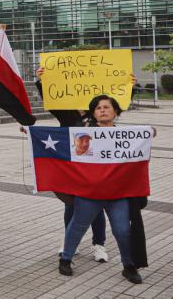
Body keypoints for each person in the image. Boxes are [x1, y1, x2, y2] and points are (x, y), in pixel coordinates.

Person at [58, 95, 144, 285]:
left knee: (122, 231)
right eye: (98, 108)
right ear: (93, 113)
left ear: (116, 112)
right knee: (77, 226)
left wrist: (148, 133)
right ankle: (65, 258)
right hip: (90, 193)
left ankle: (128, 265)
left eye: (107, 107)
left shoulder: (128, 137)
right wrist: (31, 132)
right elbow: (59, 142)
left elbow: (142, 142)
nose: (103, 110)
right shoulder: (82, 135)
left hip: (117, 194)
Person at [33, 66, 108, 262]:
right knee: (71, 207)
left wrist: (129, 87)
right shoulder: (66, 114)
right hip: (73, 170)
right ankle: (70, 243)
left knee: (97, 208)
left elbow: (118, 104)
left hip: (96, 171)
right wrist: (42, 82)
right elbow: (51, 99)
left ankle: (99, 245)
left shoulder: (98, 116)